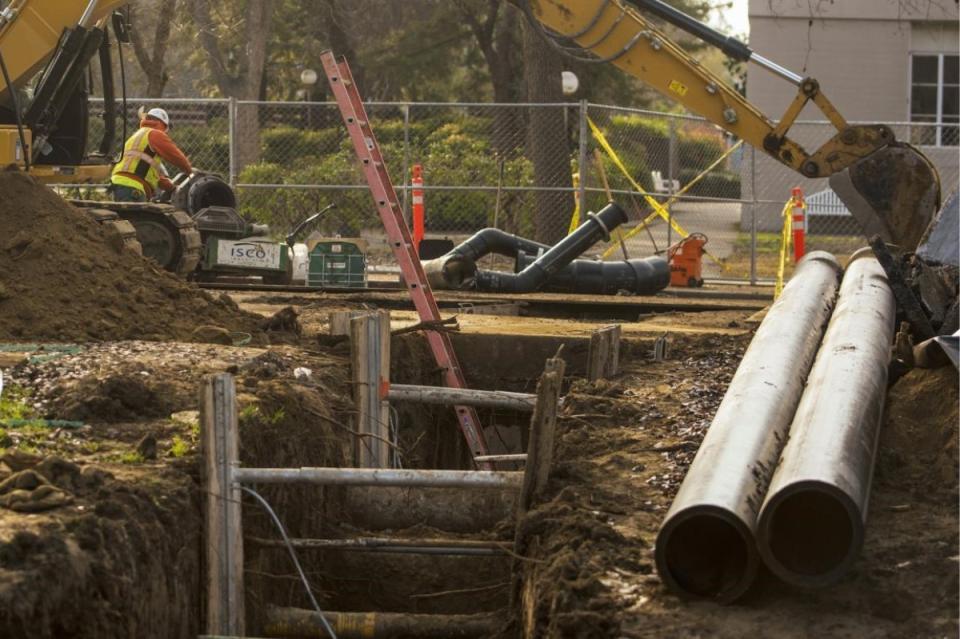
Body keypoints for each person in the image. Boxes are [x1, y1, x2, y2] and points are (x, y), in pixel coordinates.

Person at [110, 107, 192, 202]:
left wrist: (171, 187)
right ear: (163, 125)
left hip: (118, 183)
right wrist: (190, 171)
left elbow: (147, 173)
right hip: (132, 186)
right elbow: (177, 157)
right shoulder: (155, 134)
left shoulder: (137, 136)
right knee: (135, 217)